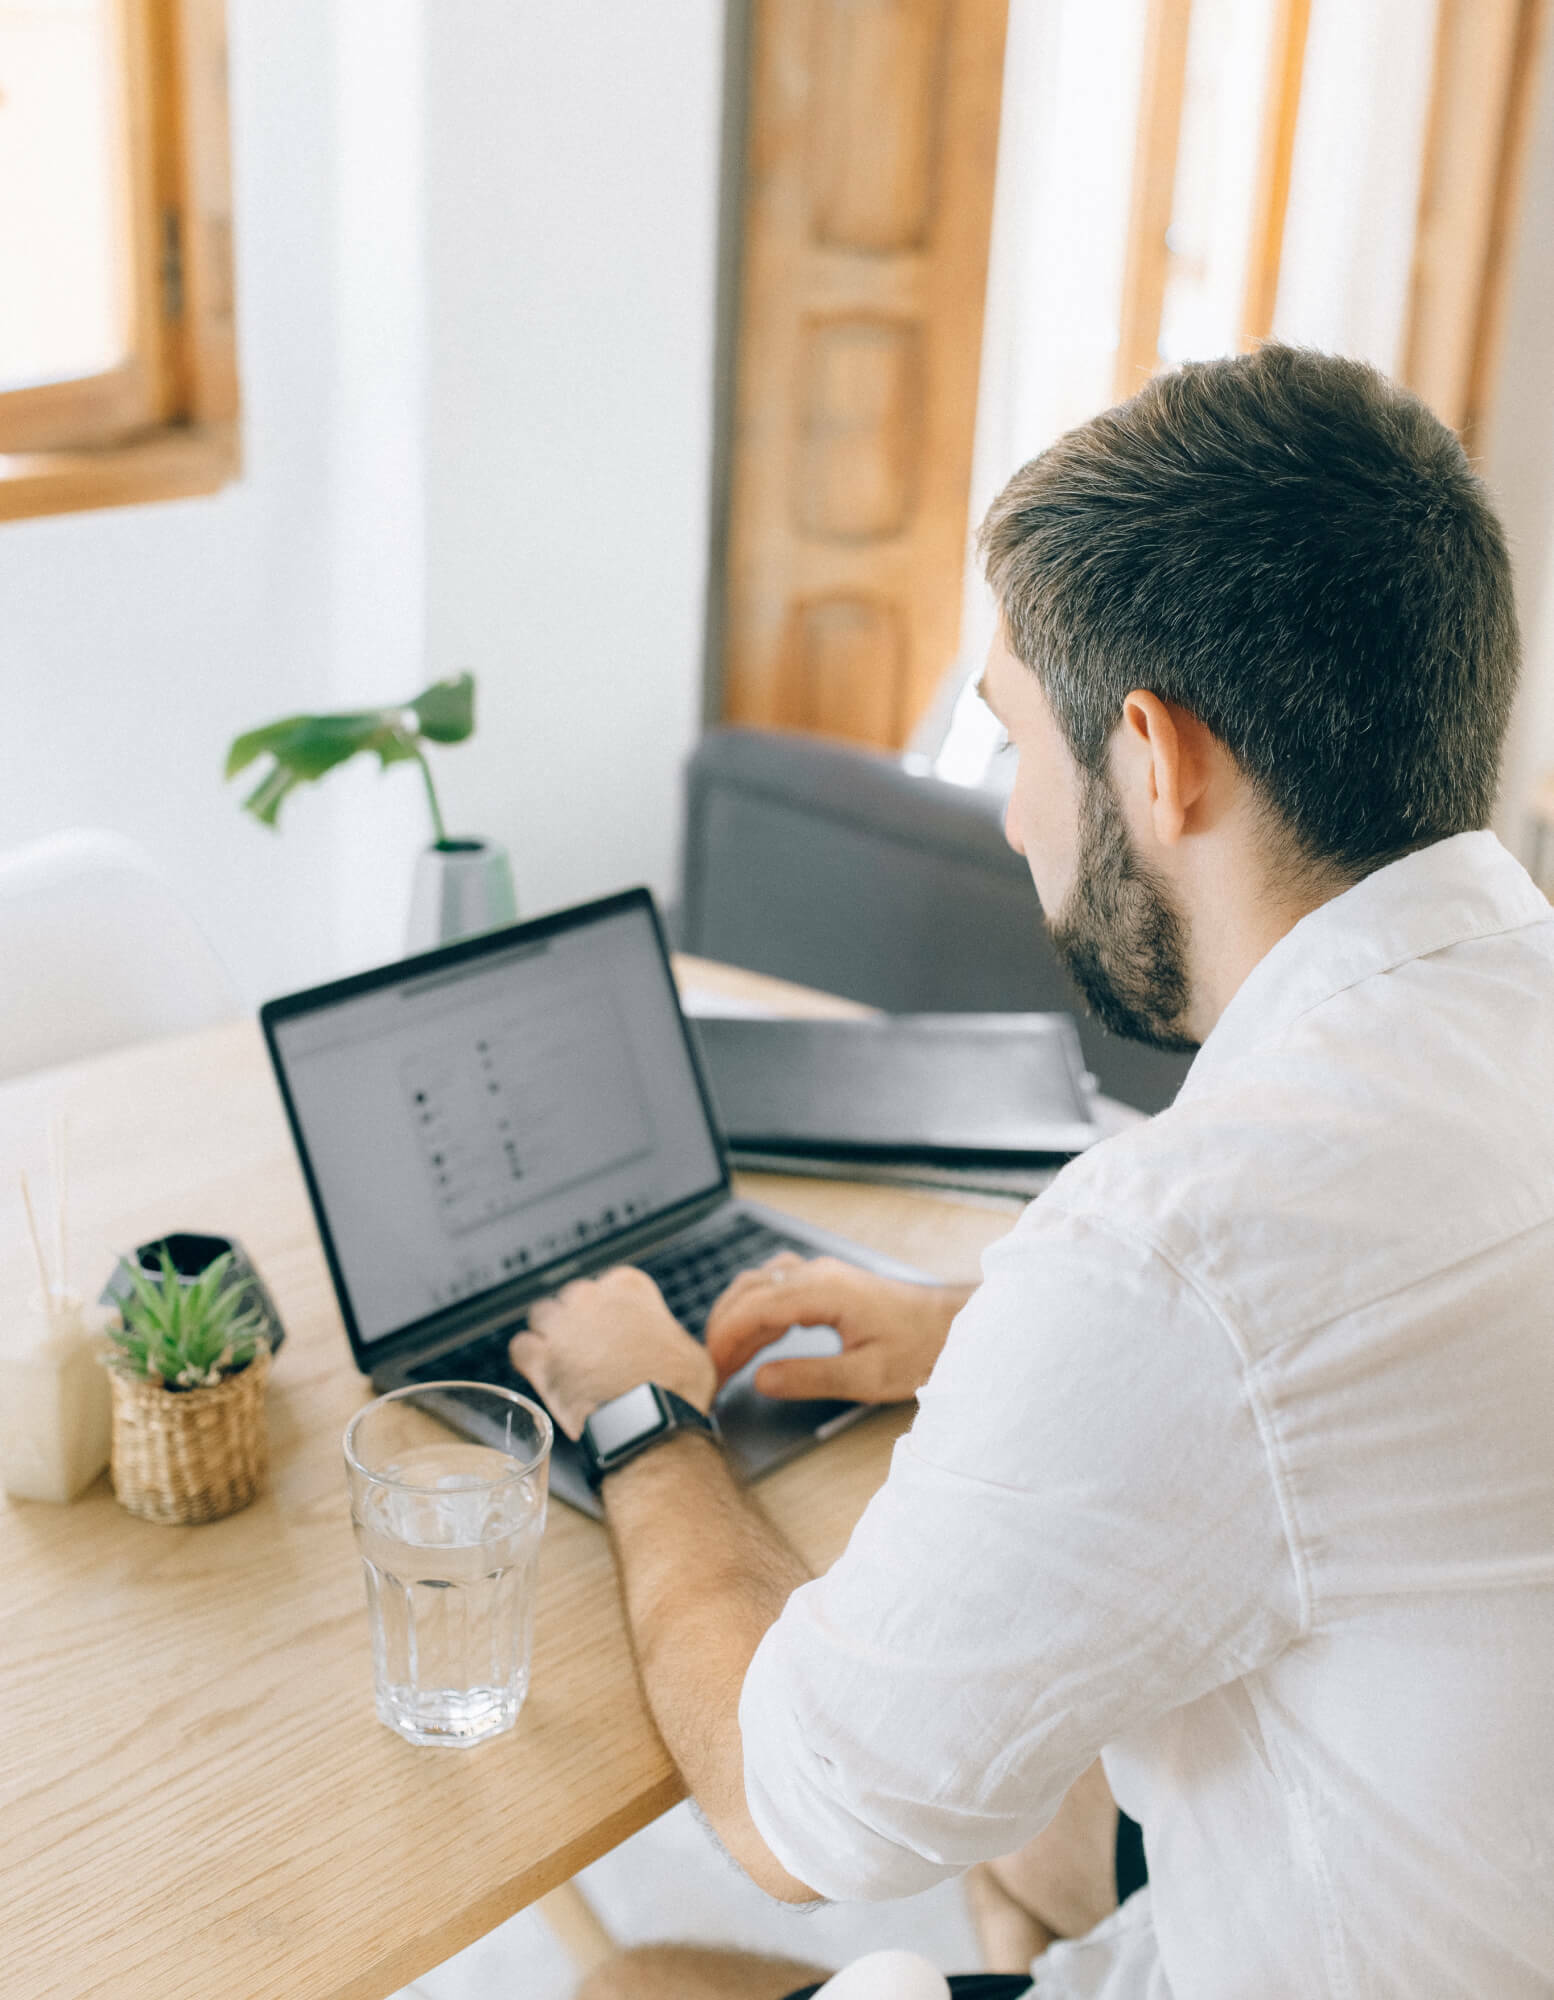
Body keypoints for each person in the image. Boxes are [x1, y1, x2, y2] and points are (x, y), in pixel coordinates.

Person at [510, 346, 1554, 1998]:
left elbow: (799, 1823)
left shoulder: (1178, 1254)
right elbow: (1348, 1350)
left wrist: (643, 1415)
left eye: (1013, 742)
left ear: (1152, 756)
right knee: (1039, 1808)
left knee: (632, 1986)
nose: (1011, 821)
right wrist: (964, 1334)